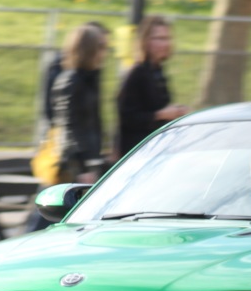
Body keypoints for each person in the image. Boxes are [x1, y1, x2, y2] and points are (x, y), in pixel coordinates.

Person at [115, 15, 189, 159]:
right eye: (160, 38)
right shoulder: (137, 73)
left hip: (154, 150)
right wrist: (161, 115)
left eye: (168, 38)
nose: (166, 43)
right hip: (136, 153)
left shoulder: (157, 71)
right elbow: (127, 117)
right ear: (146, 42)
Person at [49, 23, 109, 184]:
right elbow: (69, 126)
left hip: (89, 158)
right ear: (89, 49)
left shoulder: (89, 79)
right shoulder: (71, 81)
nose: (104, 52)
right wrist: (82, 167)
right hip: (75, 162)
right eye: (101, 46)